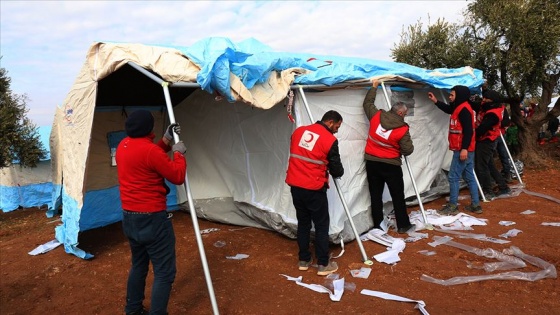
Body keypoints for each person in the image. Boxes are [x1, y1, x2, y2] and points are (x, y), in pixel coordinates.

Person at [116, 110, 187, 315]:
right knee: (164, 272)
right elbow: (177, 175)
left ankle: (133, 309)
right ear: (148, 127)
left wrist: (165, 140)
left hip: (130, 218)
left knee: (139, 265)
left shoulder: (123, 146)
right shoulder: (149, 151)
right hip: (153, 219)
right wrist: (178, 153)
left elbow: (147, 157)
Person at [285, 110, 344, 276]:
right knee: (321, 225)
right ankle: (323, 264)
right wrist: (339, 172)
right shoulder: (330, 140)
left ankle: (303, 260)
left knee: (303, 222)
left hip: (295, 185)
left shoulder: (299, 132)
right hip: (314, 188)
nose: (337, 130)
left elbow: (301, 154)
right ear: (331, 122)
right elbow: (336, 168)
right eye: (337, 126)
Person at [363, 80, 415, 234]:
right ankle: (403, 225)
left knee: (375, 194)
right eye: (405, 114)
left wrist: (374, 87)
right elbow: (408, 150)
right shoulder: (402, 129)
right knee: (397, 195)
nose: (405, 116)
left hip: (372, 161)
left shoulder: (377, 116)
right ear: (400, 113)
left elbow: (367, 103)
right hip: (391, 165)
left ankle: (378, 225)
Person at [428, 86, 482, 215]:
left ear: (460, 95)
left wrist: (464, 149)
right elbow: (449, 109)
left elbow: (468, 131)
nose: (450, 97)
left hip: (462, 150)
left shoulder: (464, 110)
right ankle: (476, 205)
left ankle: (452, 206)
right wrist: (436, 101)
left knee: (453, 177)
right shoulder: (459, 107)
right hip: (466, 149)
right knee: (469, 177)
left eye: (452, 95)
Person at [472, 90, 511, 200]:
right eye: (483, 97)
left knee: (481, 166)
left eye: (486, 98)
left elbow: (482, 129)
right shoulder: (485, 107)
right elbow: (474, 105)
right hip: (485, 139)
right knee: (489, 165)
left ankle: (487, 190)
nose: (483, 100)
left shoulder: (493, 113)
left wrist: (470, 136)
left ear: (492, 100)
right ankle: (503, 187)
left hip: (487, 141)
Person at [496, 104, 513, 182]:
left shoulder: (502, 108)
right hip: (494, 134)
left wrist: (498, 124)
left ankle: (507, 174)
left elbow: (506, 121)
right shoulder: (486, 106)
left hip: (500, 134)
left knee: (503, 154)